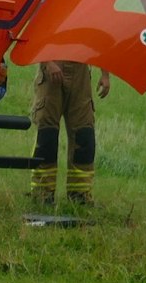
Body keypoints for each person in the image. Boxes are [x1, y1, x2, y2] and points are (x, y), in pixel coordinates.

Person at [30, 59, 111, 207]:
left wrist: (105, 74)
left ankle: (80, 196)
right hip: (51, 71)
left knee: (84, 134)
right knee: (47, 134)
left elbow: (101, 45)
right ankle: (43, 193)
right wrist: (48, 63)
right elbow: (34, 43)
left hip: (81, 72)